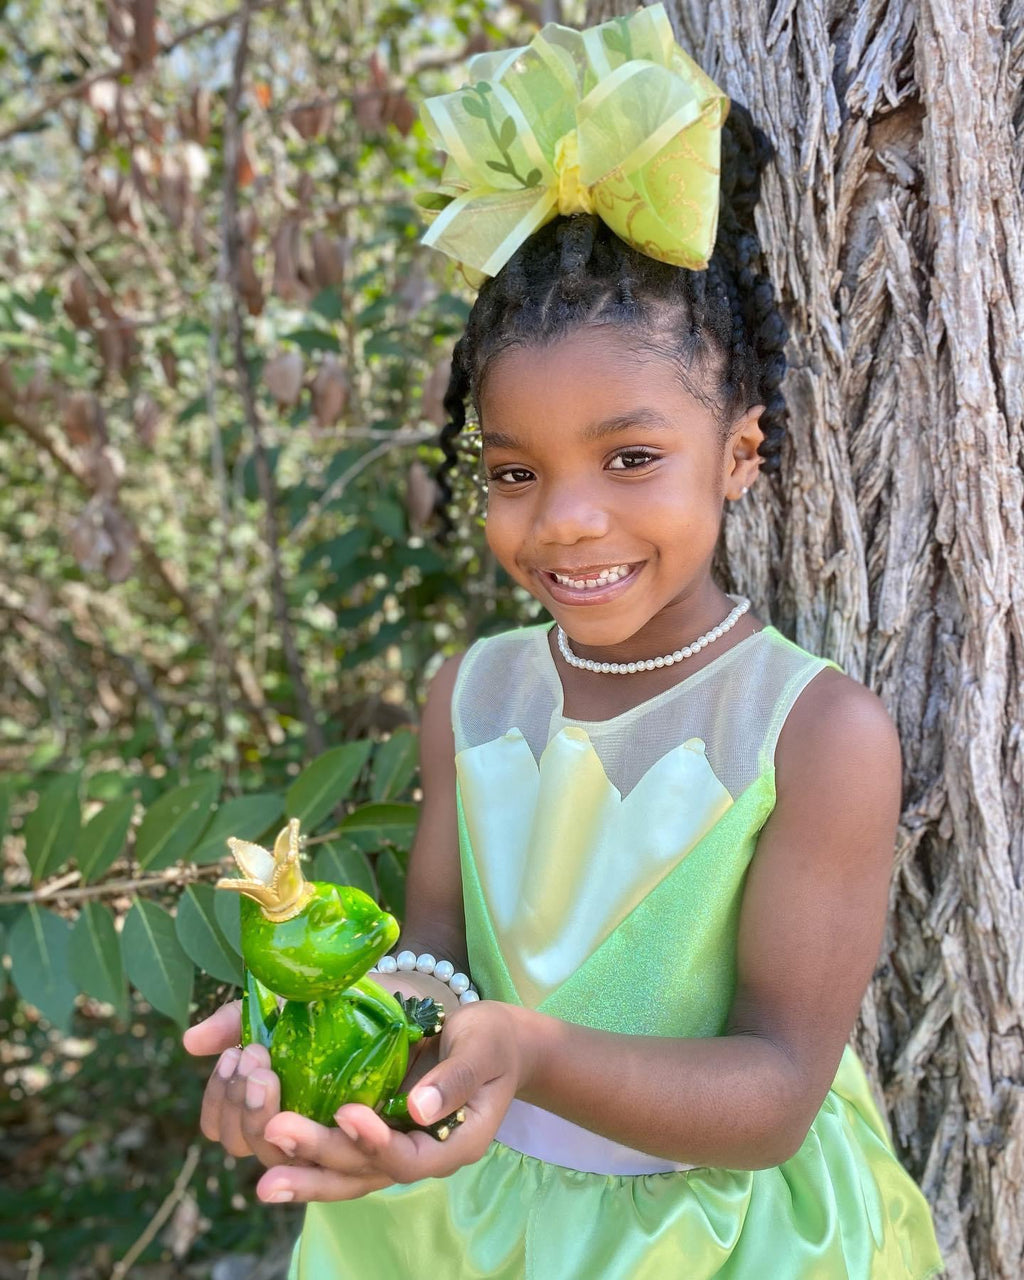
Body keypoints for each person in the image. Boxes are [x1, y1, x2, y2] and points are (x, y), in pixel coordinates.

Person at [184, 8, 944, 1276]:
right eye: (515, 470)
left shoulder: (811, 735)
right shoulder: (475, 692)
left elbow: (772, 1093)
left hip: (696, 1237)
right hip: (458, 1215)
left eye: (631, 457)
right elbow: (430, 963)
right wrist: (322, 1058)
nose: (568, 520)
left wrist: (532, 1052)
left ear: (739, 454)